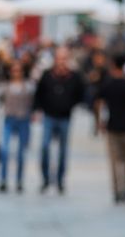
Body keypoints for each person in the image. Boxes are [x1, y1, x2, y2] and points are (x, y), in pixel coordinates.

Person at [31, 51, 86, 193]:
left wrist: (71, 105)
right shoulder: (47, 75)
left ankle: (60, 180)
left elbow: (81, 93)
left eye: (64, 59)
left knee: (63, 150)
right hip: (49, 116)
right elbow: (39, 94)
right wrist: (37, 109)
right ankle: (45, 179)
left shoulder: (74, 76)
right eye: (59, 59)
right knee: (45, 147)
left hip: (65, 117)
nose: (61, 62)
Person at [95, 54, 125, 204]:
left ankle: (117, 191)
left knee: (115, 161)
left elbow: (99, 103)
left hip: (112, 126)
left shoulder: (107, 84)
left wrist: (100, 121)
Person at [0, 61, 35, 193]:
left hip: (23, 120)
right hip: (9, 119)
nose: (16, 73)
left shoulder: (28, 86)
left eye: (19, 70)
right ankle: (3, 179)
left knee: (21, 152)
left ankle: (19, 180)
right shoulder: (4, 86)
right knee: (5, 150)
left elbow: (35, 101)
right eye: (14, 70)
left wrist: (34, 112)